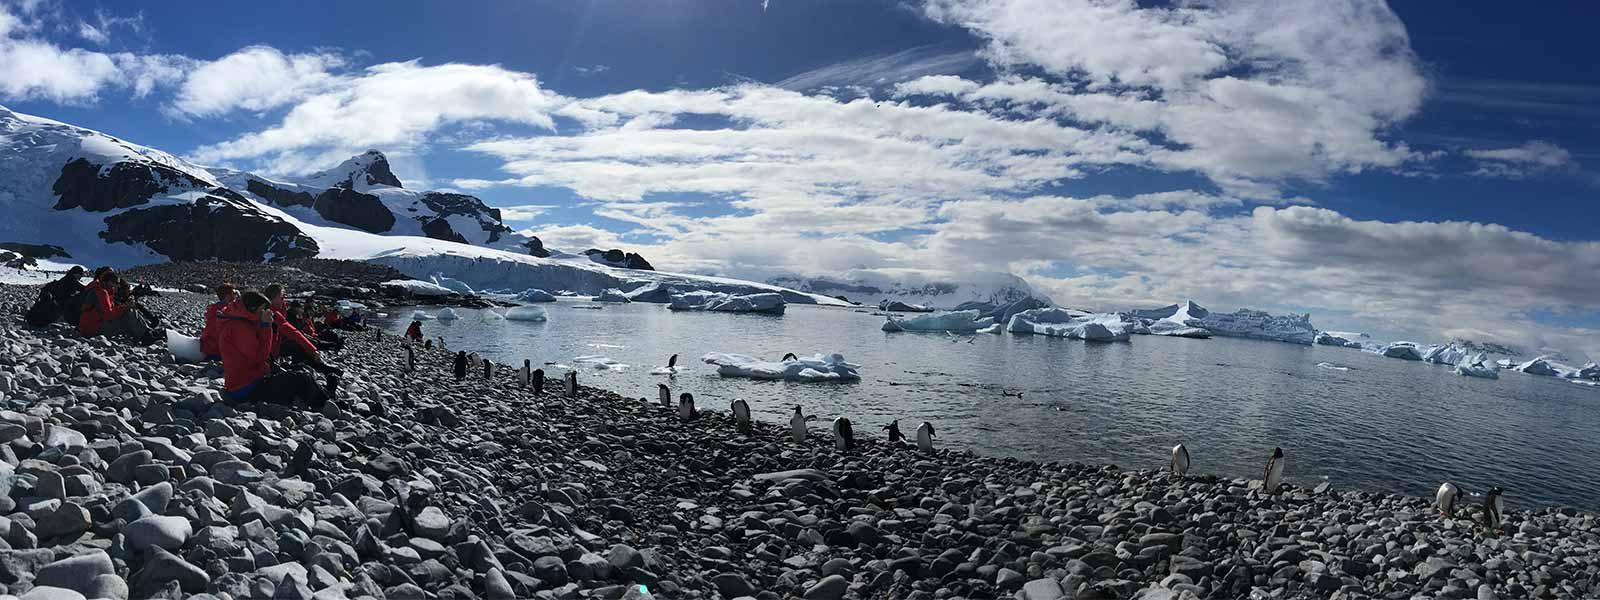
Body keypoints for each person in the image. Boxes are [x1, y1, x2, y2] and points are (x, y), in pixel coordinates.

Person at [217, 291, 332, 408]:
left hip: (246, 381)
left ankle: (324, 396)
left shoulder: (242, 321)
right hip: (246, 388)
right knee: (302, 378)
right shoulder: (239, 327)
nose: (264, 313)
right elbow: (260, 357)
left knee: (296, 374)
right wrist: (266, 326)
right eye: (262, 310)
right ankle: (325, 405)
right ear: (252, 309)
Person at [78, 270, 158, 343]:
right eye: (116, 283)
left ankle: (146, 333)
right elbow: (109, 315)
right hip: (93, 330)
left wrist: (124, 306)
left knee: (129, 314)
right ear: (109, 282)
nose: (117, 286)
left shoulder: (101, 290)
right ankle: (146, 337)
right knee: (129, 313)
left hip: (89, 326)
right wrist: (125, 306)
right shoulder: (102, 292)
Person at [199, 284, 237, 360]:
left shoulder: (213, 309)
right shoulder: (228, 310)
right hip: (219, 350)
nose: (235, 296)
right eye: (234, 294)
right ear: (228, 296)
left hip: (208, 347)